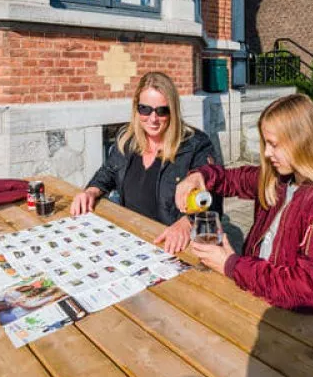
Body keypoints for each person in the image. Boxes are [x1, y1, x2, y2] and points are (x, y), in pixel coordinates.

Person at [175, 93, 313, 313]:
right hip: (255, 298)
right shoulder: (279, 180)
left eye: (274, 144)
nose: (267, 153)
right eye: (266, 143)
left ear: (302, 142)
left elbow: (310, 291)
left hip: (292, 323)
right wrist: (200, 176)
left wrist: (231, 265)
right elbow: (233, 178)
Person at [70, 71, 220, 254]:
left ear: (172, 111)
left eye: (162, 111)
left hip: (172, 246)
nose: (153, 118)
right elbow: (108, 172)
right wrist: (91, 191)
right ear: (136, 108)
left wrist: (188, 222)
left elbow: (213, 199)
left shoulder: (196, 145)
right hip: (131, 240)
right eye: (145, 109)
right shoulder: (127, 139)